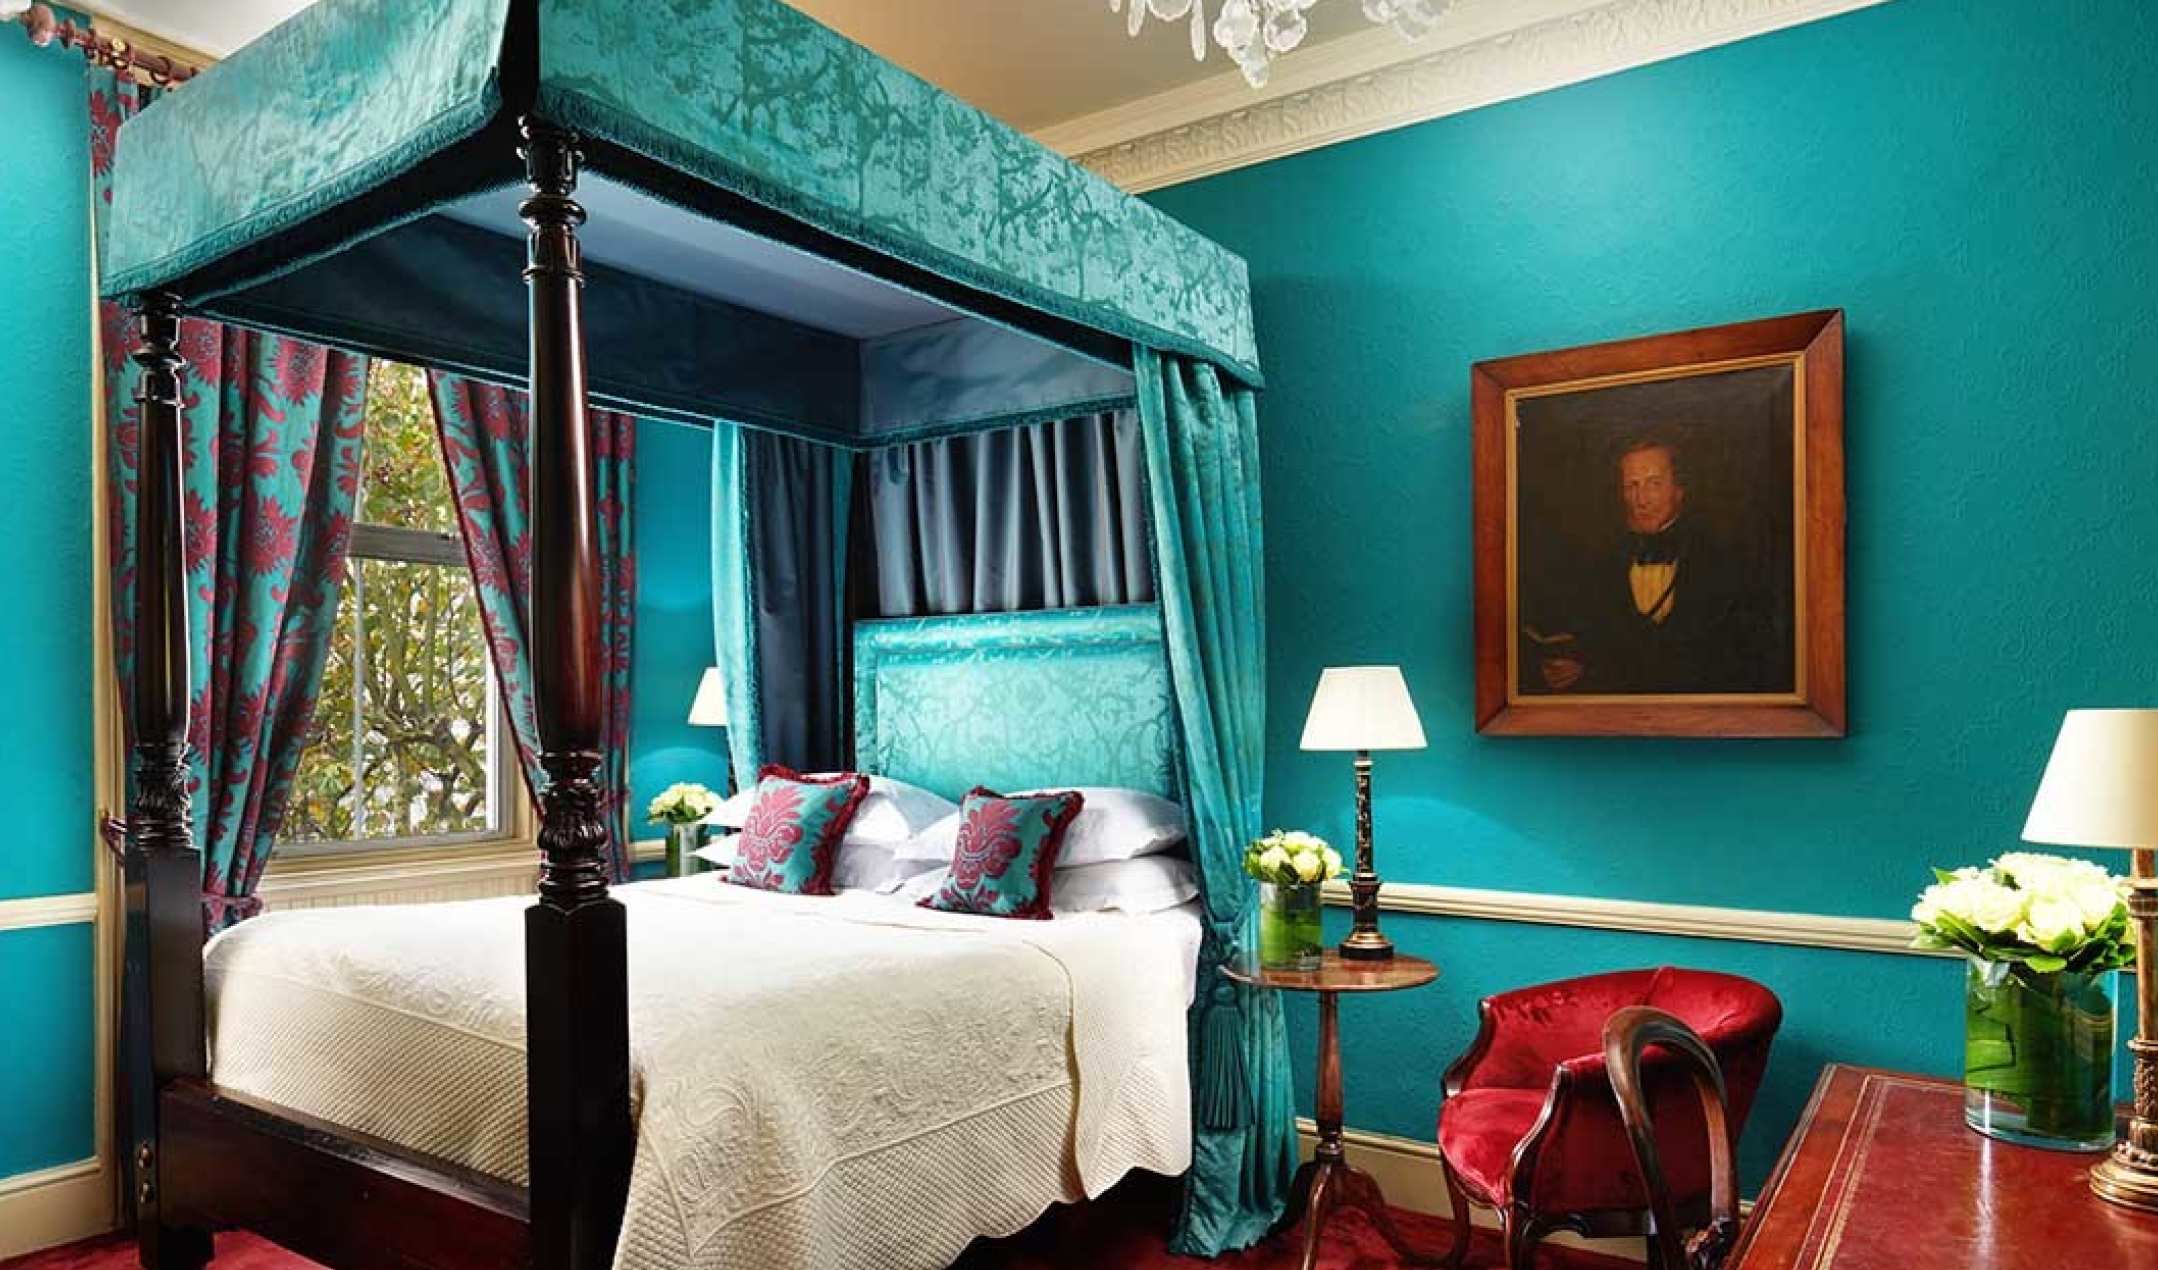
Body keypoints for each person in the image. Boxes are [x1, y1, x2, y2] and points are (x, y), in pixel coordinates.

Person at [1526, 434, 1784, 695]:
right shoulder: (1599, 563)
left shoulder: (1723, 559)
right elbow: (1593, 640)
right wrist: (1575, 665)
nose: (1642, 499)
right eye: (1632, 486)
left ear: (1679, 490)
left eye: (1654, 484)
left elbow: (1746, 658)